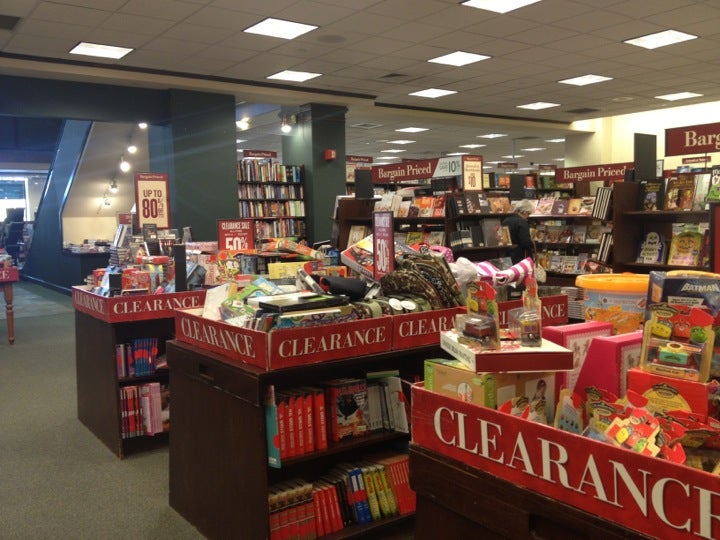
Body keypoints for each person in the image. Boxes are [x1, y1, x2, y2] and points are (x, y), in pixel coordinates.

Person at [502, 199, 535, 264]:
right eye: (528, 214)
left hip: (506, 254)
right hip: (519, 256)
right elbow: (525, 241)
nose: (527, 217)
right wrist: (533, 243)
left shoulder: (505, 221)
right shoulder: (522, 222)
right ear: (525, 212)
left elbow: (504, 239)